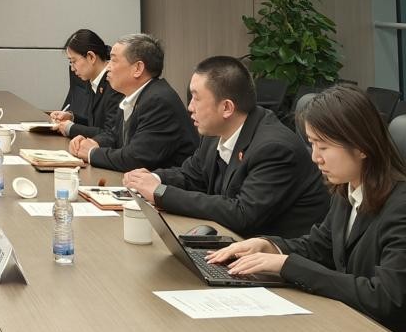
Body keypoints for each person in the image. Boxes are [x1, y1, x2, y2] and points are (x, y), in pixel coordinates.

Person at [207, 84, 406, 332]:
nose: (315, 157)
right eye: (312, 144)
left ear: (361, 146)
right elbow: (320, 246)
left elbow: (383, 297)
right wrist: (270, 246)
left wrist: (287, 265)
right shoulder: (349, 190)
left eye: (324, 147)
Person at [121, 56, 329, 237]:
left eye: (196, 98)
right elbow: (192, 176)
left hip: (274, 256)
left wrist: (161, 193)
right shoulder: (215, 133)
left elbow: (243, 214)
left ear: (227, 107)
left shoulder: (275, 148)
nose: (190, 107)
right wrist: (152, 179)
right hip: (233, 244)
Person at [68, 33, 197, 171]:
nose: (108, 67)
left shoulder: (158, 101)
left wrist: (91, 153)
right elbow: (114, 136)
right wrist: (92, 142)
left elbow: (135, 158)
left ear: (138, 68)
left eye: (113, 60)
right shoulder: (132, 96)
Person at [48, 28, 122, 139]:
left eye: (74, 61)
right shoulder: (94, 80)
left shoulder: (115, 83)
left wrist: (71, 128)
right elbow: (95, 124)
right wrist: (72, 118)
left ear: (91, 57)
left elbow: (110, 134)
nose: (72, 68)